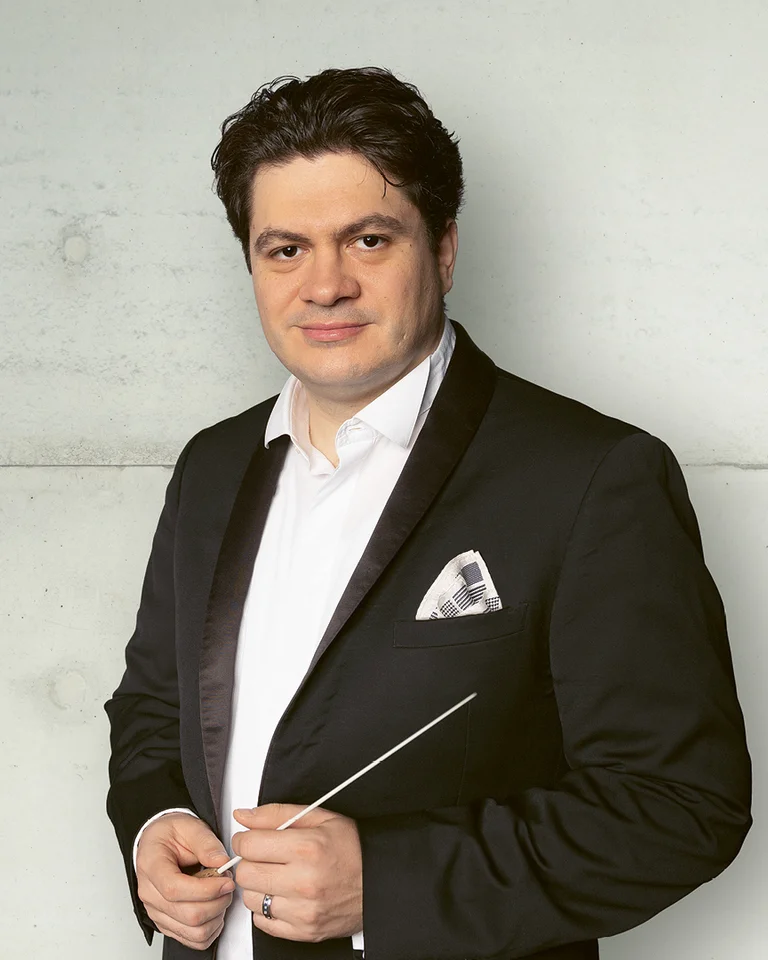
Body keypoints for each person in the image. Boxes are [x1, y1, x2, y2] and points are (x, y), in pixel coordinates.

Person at [105, 67, 751, 960]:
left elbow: (680, 805)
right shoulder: (211, 467)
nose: (324, 286)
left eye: (368, 240)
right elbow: (153, 707)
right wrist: (154, 823)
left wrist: (387, 883)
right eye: (285, 249)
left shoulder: (593, 476)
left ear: (443, 250)